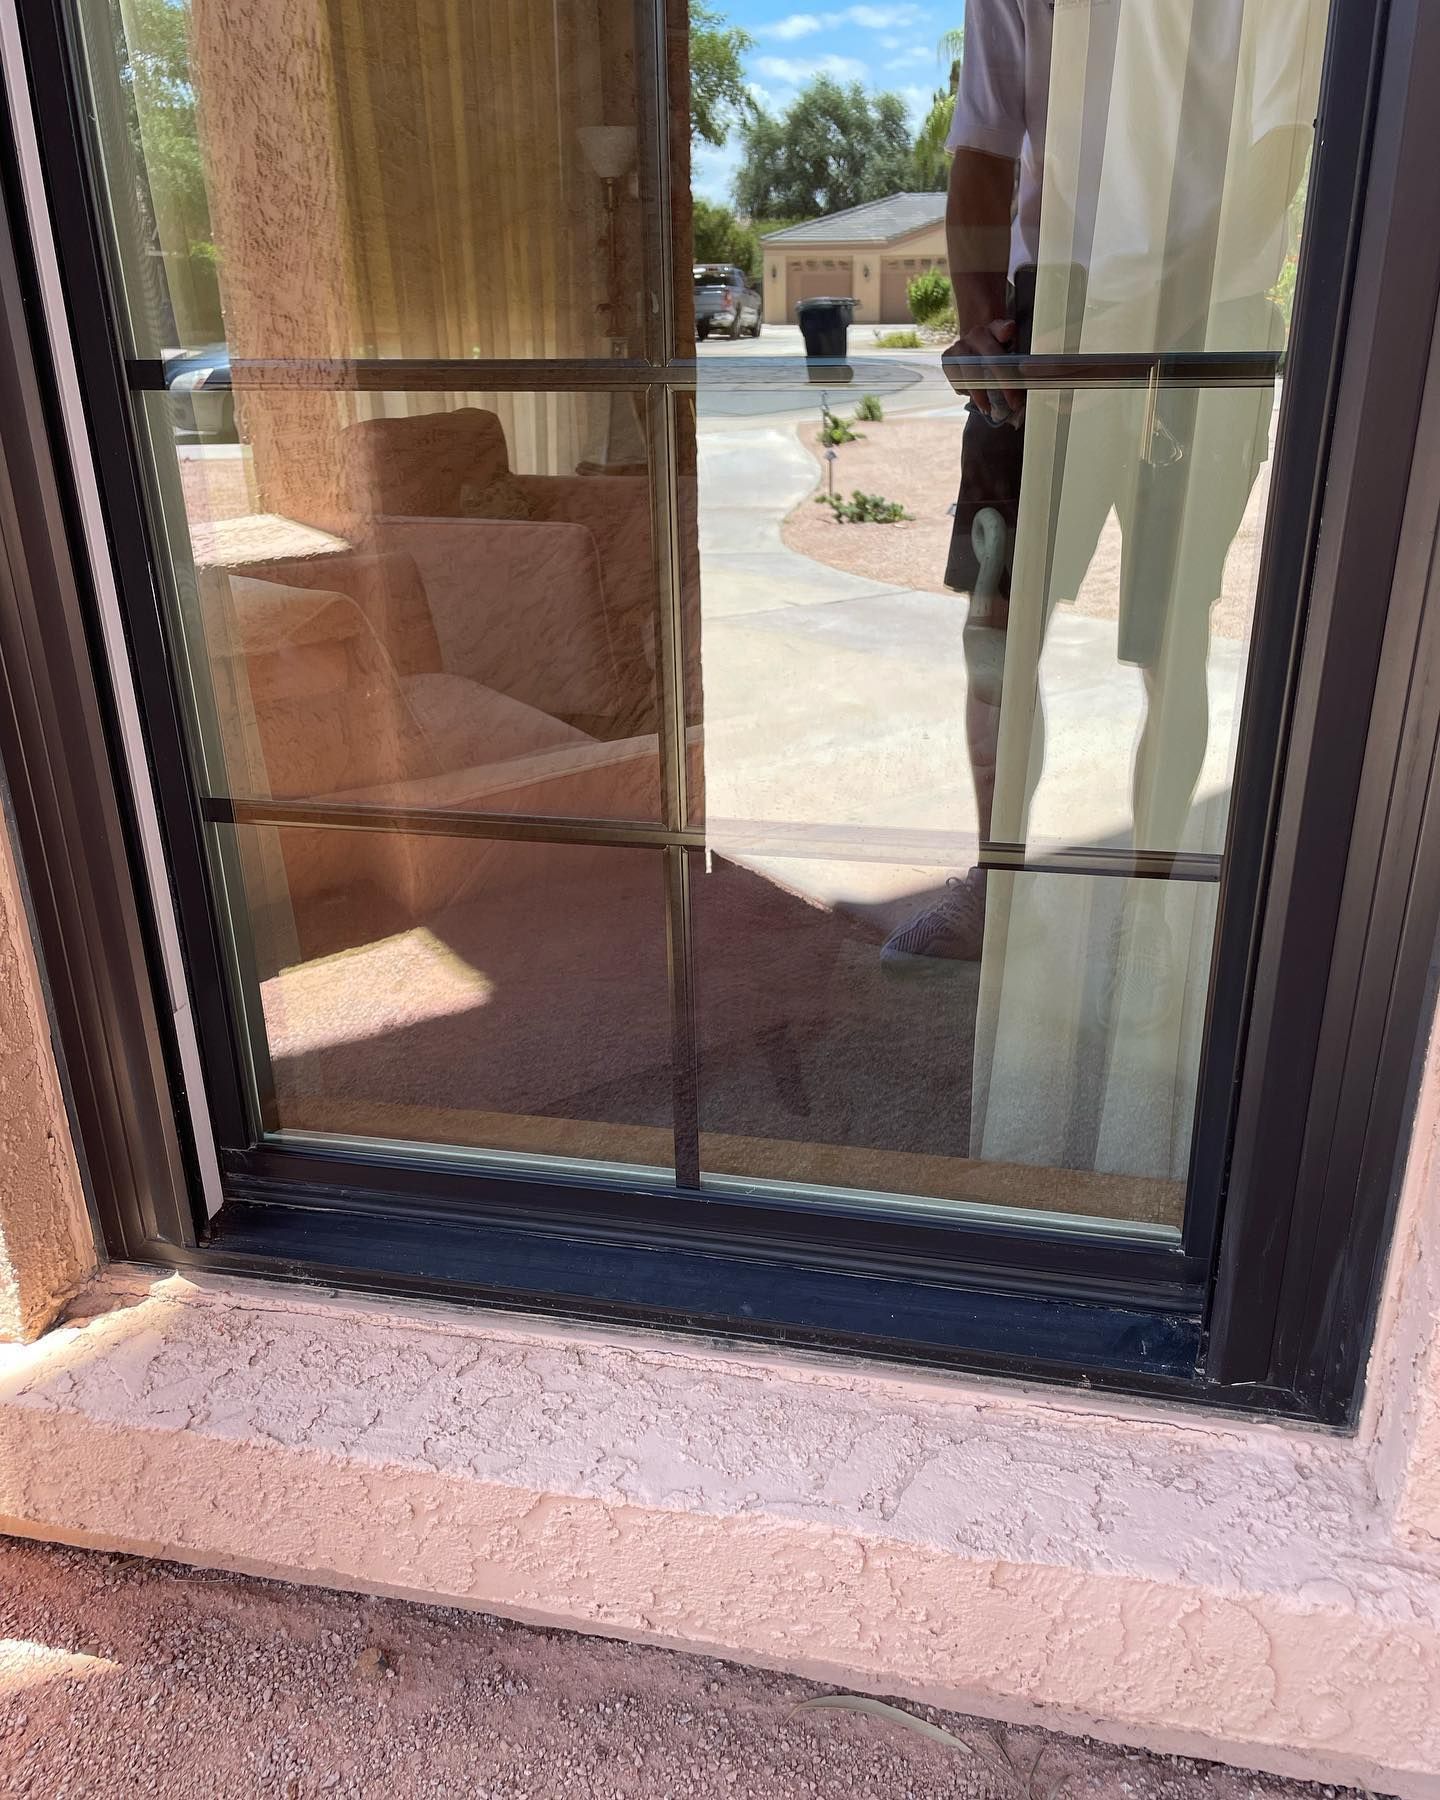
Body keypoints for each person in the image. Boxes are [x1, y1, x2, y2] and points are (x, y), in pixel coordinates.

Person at [882, 0, 1321, 1002]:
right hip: (1051, 307)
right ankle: (996, 884)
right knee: (994, 625)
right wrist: (980, 313)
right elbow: (985, 141)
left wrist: (1155, 312)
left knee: (1171, 635)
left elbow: (1277, 155)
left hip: (1211, 311)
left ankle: (1155, 908)